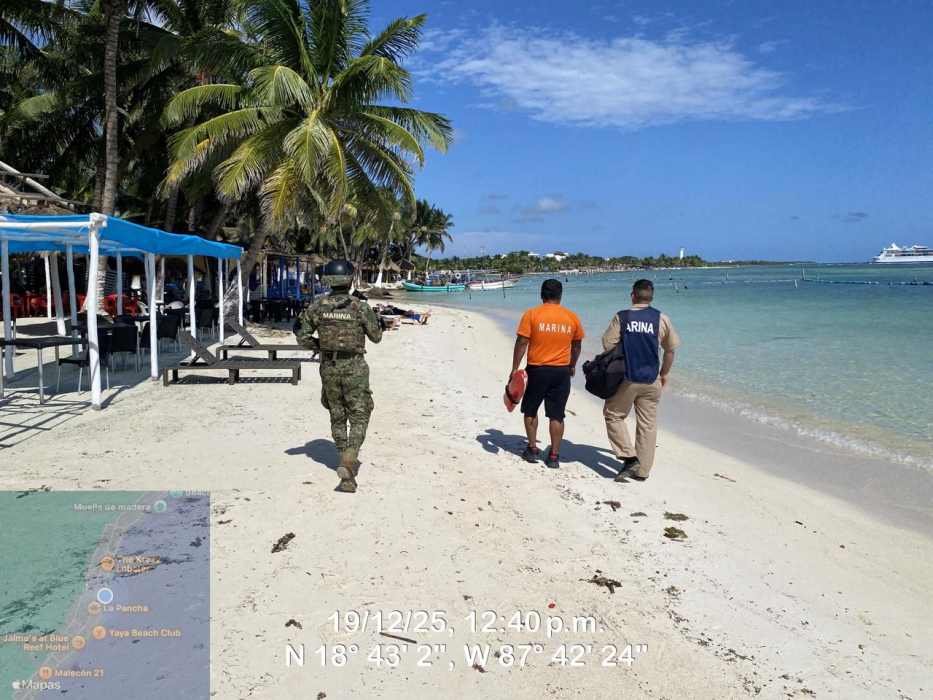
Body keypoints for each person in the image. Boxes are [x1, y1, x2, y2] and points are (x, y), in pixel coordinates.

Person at [296, 260, 383, 493]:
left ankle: (344, 462)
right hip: (354, 365)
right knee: (360, 412)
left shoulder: (317, 306)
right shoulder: (359, 307)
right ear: (349, 279)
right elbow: (376, 337)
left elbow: (301, 336)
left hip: (328, 365)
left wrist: (321, 346)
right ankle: (349, 458)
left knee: (337, 413)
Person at [601, 279, 680, 482]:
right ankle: (642, 471)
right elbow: (670, 350)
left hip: (627, 378)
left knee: (613, 415)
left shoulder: (622, 317)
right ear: (651, 297)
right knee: (647, 425)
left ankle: (628, 457)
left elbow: (607, 344)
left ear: (633, 296)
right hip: (652, 378)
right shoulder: (661, 318)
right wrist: (664, 373)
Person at [510, 279, 584, 468]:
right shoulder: (572, 317)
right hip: (561, 372)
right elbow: (576, 346)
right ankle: (553, 456)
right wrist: (572, 364)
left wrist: (514, 368)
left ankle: (533, 449)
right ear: (560, 296)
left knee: (530, 409)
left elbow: (522, 342)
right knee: (557, 415)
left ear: (542, 294)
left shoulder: (532, 314)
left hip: (536, 370)